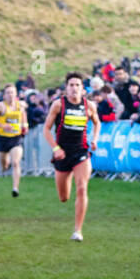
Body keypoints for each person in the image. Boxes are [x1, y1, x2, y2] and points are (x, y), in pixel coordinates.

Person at [43, 74, 100, 241]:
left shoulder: (89, 106)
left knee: (82, 187)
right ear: (66, 88)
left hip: (81, 152)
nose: (74, 88)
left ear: (83, 89)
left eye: (77, 85)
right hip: (62, 153)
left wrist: (95, 139)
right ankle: (65, 185)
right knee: (64, 197)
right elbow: (46, 129)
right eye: (71, 85)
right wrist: (56, 148)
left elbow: (97, 123)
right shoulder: (58, 105)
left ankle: (78, 231)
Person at [0, 84, 28, 196]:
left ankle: (15, 188)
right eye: (8, 93)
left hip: (16, 139)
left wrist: (25, 125)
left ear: (16, 94)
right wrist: (2, 125)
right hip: (3, 140)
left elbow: (24, 115)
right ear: (4, 95)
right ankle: (5, 166)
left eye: (12, 92)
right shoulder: (0, 106)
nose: (10, 95)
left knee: (16, 163)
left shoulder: (20, 106)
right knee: (4, 165)